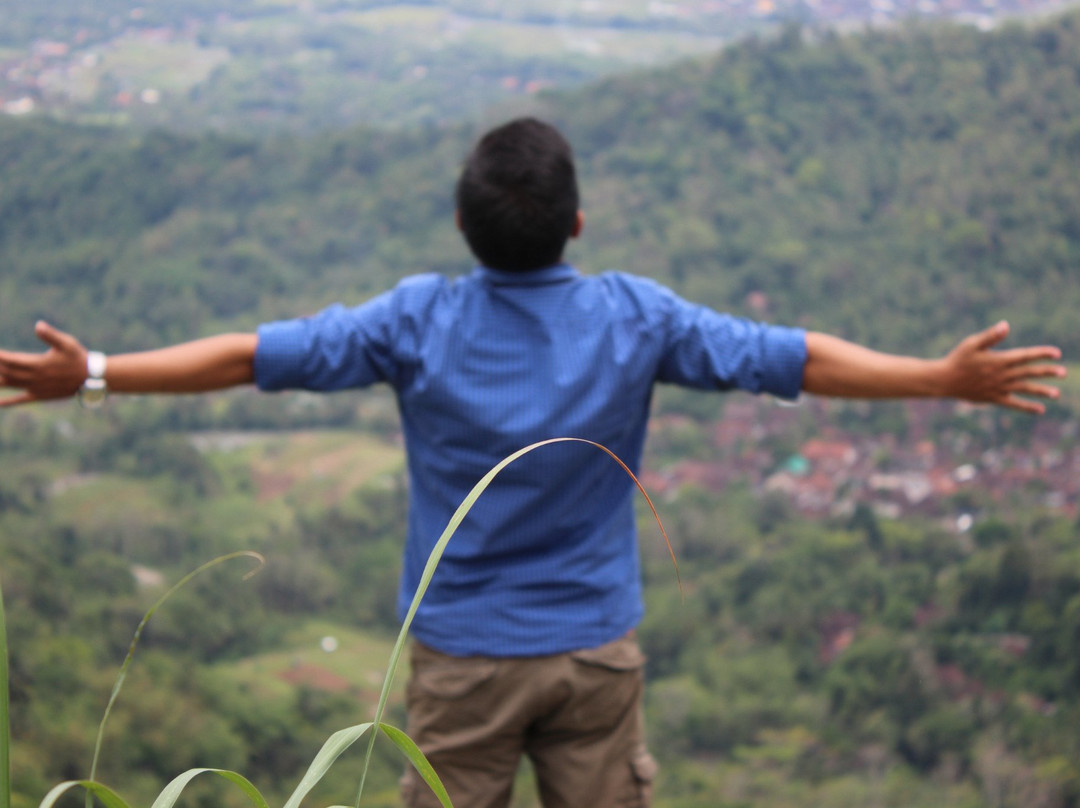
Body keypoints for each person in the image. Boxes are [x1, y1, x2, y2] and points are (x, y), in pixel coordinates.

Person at [0, 117, 1066, 808]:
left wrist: (91, 371)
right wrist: (939, 375)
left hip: (463, 662)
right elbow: (793, 359)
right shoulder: (634, 318)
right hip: (597, 654)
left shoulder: (416, 322)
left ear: (464, 224)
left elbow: (246, 355)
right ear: (578, 223)